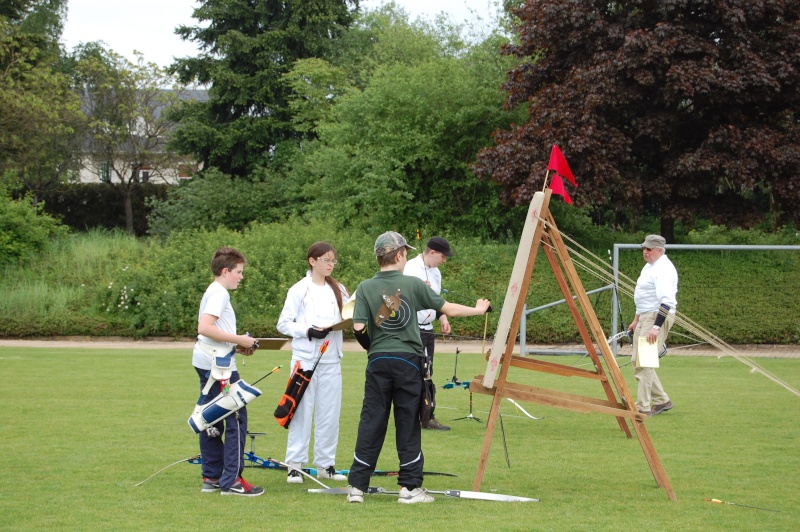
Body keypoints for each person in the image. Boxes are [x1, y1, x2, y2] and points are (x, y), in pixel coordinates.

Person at [346, 231, 491, 504]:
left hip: (377, 361)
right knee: (407, 422)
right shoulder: (412, 283)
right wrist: (478, 309)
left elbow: (358, 328)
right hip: (407, 361)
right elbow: (449, 308)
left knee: (371, 421)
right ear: (400, 254)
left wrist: (375, 349)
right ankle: (409, 488)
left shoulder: (365, 286)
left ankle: (357, 487)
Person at [276, 242, 349, 484]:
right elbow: (284, 323)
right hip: (305, 360)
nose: (330, 265)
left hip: (331, 360)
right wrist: (307, 330)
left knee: (330, 414)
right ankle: (295, 465)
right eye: (326, 260)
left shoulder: (338, 288)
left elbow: (350, 314)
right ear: (312, 261)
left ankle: (325, 465)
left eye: (333, 261)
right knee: (301, 413)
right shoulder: (299, 289)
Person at [192, 246, 262, 496]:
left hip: (211, 360)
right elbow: (205, 327)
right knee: (235, 419)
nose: (241, 277)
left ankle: (211, 476)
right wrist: (240, 340)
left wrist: (236, 344)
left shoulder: (215, 291)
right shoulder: (219, 293)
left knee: (210, 418)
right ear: (225, 271)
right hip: (218, 367)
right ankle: (231, 480)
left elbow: (212, 331)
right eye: (239, 272)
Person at [403, 236, 454, 431]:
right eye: (442, 256)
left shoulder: (436, 273)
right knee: (411, 373)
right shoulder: (409, 268)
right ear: (432, 252)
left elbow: (436, 299)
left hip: (428, 329)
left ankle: (427, 416)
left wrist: (442, 317)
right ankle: (411, 416)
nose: (444, 260)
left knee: (427, 372)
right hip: (411, 329)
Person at [627, 234, 678, 417]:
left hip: (657, 316)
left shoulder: (663, 269)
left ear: (660, 250)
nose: (645, 252)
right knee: (636, 361)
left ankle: (643, 407)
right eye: (644, 248)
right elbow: (645, 297)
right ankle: (662, 400)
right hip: (645, 316)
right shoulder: (650, 266)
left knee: (645, 362)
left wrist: (656, 327)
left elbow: (666, 301)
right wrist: (636, 319)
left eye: (649, 249)